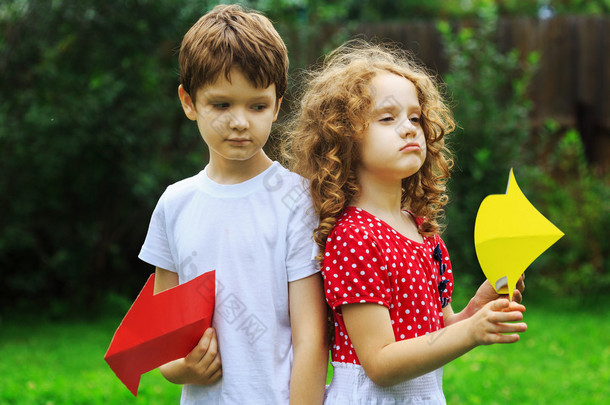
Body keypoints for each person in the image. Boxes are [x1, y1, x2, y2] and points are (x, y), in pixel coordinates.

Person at [283, 39, 526, 404]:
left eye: (415, 117)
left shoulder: (422, 232)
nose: (410, 128)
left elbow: (435, 336)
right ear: (344, 137)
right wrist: (472, 331)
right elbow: (380, 362)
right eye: (387, 118)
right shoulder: (354, 238)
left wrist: (475, 310)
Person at [138, 5, 328, 404]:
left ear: (277, 105)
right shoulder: (175, 203)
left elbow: (311, 336)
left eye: (257, 106)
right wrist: (181, 369)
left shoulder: (296, 199)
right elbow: (162, 337)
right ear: (189, 102)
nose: (240, 121)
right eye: (221, 105)